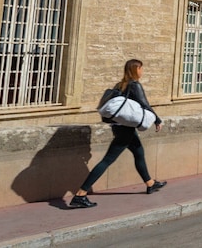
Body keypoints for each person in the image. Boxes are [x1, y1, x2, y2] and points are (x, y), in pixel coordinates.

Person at [69, 59, 165, 208]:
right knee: (108, 160)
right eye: (141, 68)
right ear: (136, 69)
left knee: (139, 152)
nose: (142, 71)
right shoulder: (135, 85)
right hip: (125, 129)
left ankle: (150, 183)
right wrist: (157, 120)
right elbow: (145, 104)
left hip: (118, 126)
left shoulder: (120, 85)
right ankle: (80, 194)